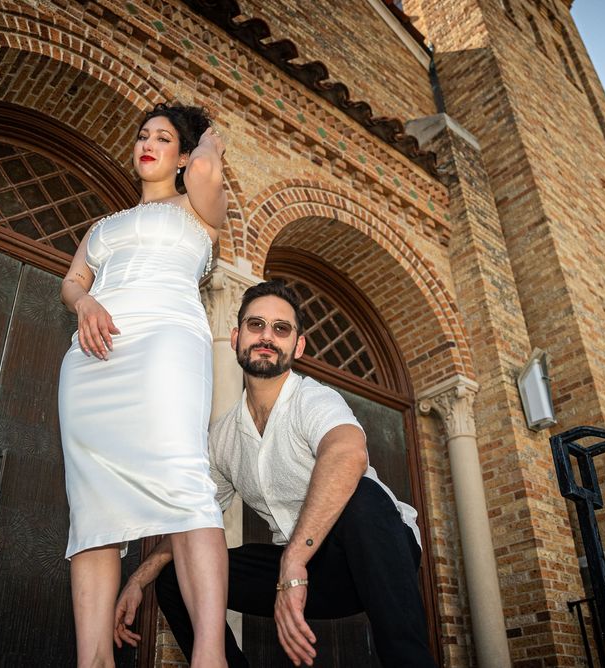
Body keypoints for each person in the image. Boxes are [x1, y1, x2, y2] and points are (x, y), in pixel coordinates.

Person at [112, 280, 437, 667]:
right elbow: (196, 520)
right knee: (178, 577)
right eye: (256, 325)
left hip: (376, 550)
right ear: (236, 338)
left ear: (297, 347)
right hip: (309, 571)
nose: (267, 336)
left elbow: (348, 453)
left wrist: (293, 562)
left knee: (363, 497)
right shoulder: (224, 437)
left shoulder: (312, 399)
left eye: (281, 329)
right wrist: (139, 579)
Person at [58, 102, 229, 668]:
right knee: (92, 507)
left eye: (163, 138)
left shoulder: (198, 206)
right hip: (93, 356)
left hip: (165, 342)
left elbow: (205, 168)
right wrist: (85, 303)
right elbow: (72, 282)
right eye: (142, 136)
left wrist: (207, 134)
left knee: (184, 483)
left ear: (183, 155)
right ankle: (93, 660)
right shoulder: (103, 226)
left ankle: (209, 656)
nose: (148, 144)